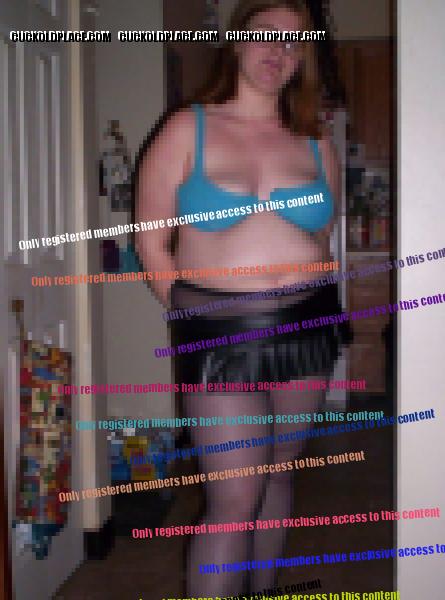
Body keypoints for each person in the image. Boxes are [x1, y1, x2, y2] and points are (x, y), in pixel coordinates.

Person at [136, 0, 350, 595]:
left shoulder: (316, 140)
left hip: (308, 325)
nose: (279, 51)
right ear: (236, 41)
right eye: (266, 35)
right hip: (220, 333)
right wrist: (192, 316)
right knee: (233, 498)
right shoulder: (188, 128)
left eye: (295, 41)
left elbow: (322, 237)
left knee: (279, 477)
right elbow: (151, 243)